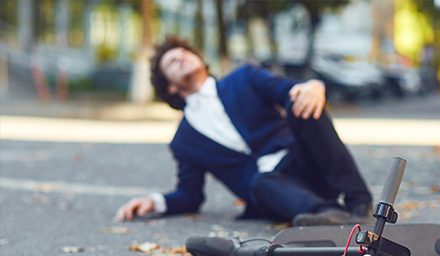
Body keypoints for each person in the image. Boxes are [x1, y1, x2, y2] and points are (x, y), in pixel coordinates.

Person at [115, 36, 372, 226]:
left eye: (185, 52)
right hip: (274, 194)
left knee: (300, 103)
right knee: (259, 181)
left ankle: (358, 202)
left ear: (201, 60)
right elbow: (190, 195)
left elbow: (288, 91)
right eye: (172, 61)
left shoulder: (243, 78)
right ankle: (328, 216)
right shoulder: (183, 141)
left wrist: (313, 86)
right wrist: (155, 201)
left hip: (305, 164)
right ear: (169, 87)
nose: (181, 56)